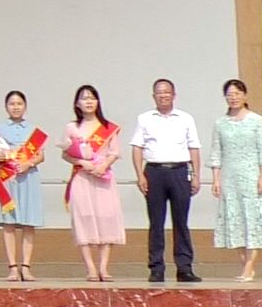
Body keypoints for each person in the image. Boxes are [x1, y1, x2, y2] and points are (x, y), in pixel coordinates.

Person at [130, 78, 203, 283]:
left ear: (174, 95)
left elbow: (194, 147)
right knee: (156, 222)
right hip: (154, 171)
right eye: (159, 93)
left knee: (181, 222)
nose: (163, 95)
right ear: (154, 96)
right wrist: (139, 175)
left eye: (167, 92)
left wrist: (196, 176)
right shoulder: (145, 118)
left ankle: (184, 267)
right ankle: (156, 267)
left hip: (179, 171)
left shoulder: (185, 118)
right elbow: (137, 147)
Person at [210, 78, 262, 282]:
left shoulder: (256, 121)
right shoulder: (220, 123)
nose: (233, 98)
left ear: (244, 95)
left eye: (237, 94)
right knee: (234, 220)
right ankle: (244, 263)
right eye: (229, 95)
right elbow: (216, 153)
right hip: (229, 177)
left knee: (252, 220)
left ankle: (249, 266)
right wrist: (216, 179)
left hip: (251, 176)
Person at [65, 85, 125, 281]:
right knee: (84, 218)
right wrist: (82, 162)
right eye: (84, 98)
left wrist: (103, 165)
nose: (89, 102)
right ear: (77, 104)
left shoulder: (108, 128)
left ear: (98, 102)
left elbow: (114, 152)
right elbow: (66, 153)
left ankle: (104, 267)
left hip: (103, 178)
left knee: (106, 217)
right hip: (82, 178)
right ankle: (90, 267)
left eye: (92, 98)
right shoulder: (72, 127)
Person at [0, 90, 45, 282]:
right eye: (12, 104)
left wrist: (29, 163)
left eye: (19, 104)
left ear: (25, 106)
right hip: (7, 179)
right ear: (6, 107)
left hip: (28, 177)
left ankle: (26, 267)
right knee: (8, 223)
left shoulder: (33, 129)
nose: (16, 107)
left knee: (29, 222)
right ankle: (12, 267)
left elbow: (41, 155)